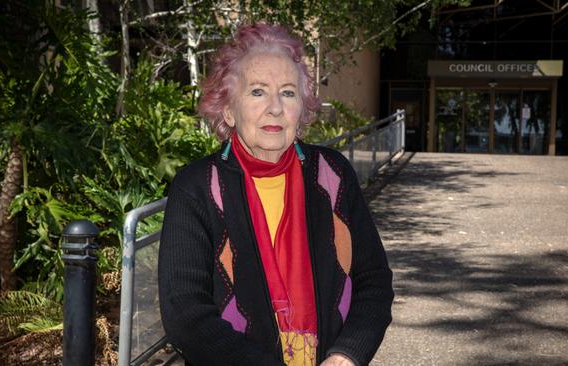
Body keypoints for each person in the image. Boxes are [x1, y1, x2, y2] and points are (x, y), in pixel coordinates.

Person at [158, 23, 393, 366]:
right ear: (228, 109)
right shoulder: (196, 186)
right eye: (257, 92)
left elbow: (373, 281)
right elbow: (185, 314)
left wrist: (347, 355)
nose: (275, 108)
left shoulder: (333, 175)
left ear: (302, 108)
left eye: (287, 92)